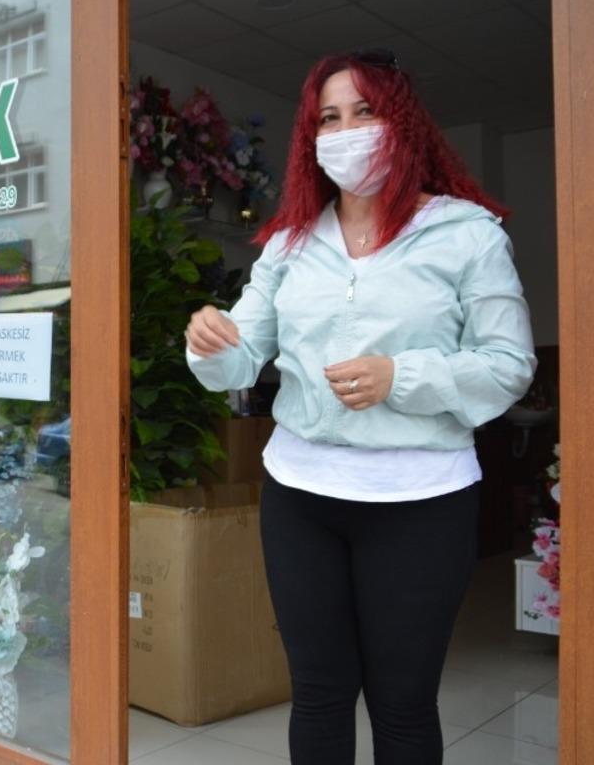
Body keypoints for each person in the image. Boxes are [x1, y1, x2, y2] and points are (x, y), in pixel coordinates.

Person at [184, 50, 536, 765]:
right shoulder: (289, 242)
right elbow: (241, 356)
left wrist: (399, 377)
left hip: (421, 500)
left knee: (402, 704)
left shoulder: (466, 233)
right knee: (317, 692)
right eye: (328, 118)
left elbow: (509, 367)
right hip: (301, 496)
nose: (346, 132)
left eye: (364, 112)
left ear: (402, 122)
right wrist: (211, 342)